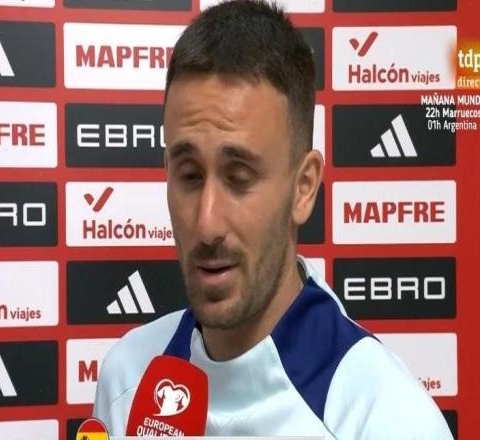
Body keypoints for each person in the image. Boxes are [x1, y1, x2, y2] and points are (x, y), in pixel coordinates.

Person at [93, 1, 453, 438]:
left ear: (304, 187)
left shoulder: (385, 420)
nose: (207, 225)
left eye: (239, 178)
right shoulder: (126, 378)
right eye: (189, 175)